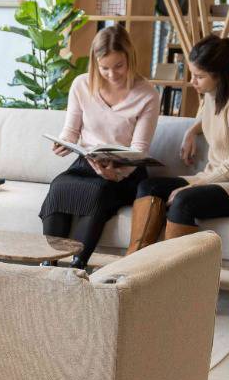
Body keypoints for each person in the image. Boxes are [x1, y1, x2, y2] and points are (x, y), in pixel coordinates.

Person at [40, 26, 161, 268]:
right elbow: (71, 131)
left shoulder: (147, 94)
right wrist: (63, 143)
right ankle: (49, 261)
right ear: (95, 63)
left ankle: (77, 265)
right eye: (104, 68)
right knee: (59, 186)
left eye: (119, 66)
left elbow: (139, 149)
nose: (112, 74)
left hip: (126, 171)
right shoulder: (81, 85)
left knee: (98, 191)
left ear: (130, 58)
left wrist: (116, 173)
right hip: (87, 163)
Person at [135, 35, 229, 240]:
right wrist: (192, 131)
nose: (192, 81)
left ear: (220, 74)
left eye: (199, 76)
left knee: (184, 200)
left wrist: (196, 185)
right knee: (149, 187)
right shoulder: (213, 93)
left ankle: (173, 261)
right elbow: (213, 118)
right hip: (218, 178)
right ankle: (139, 257)